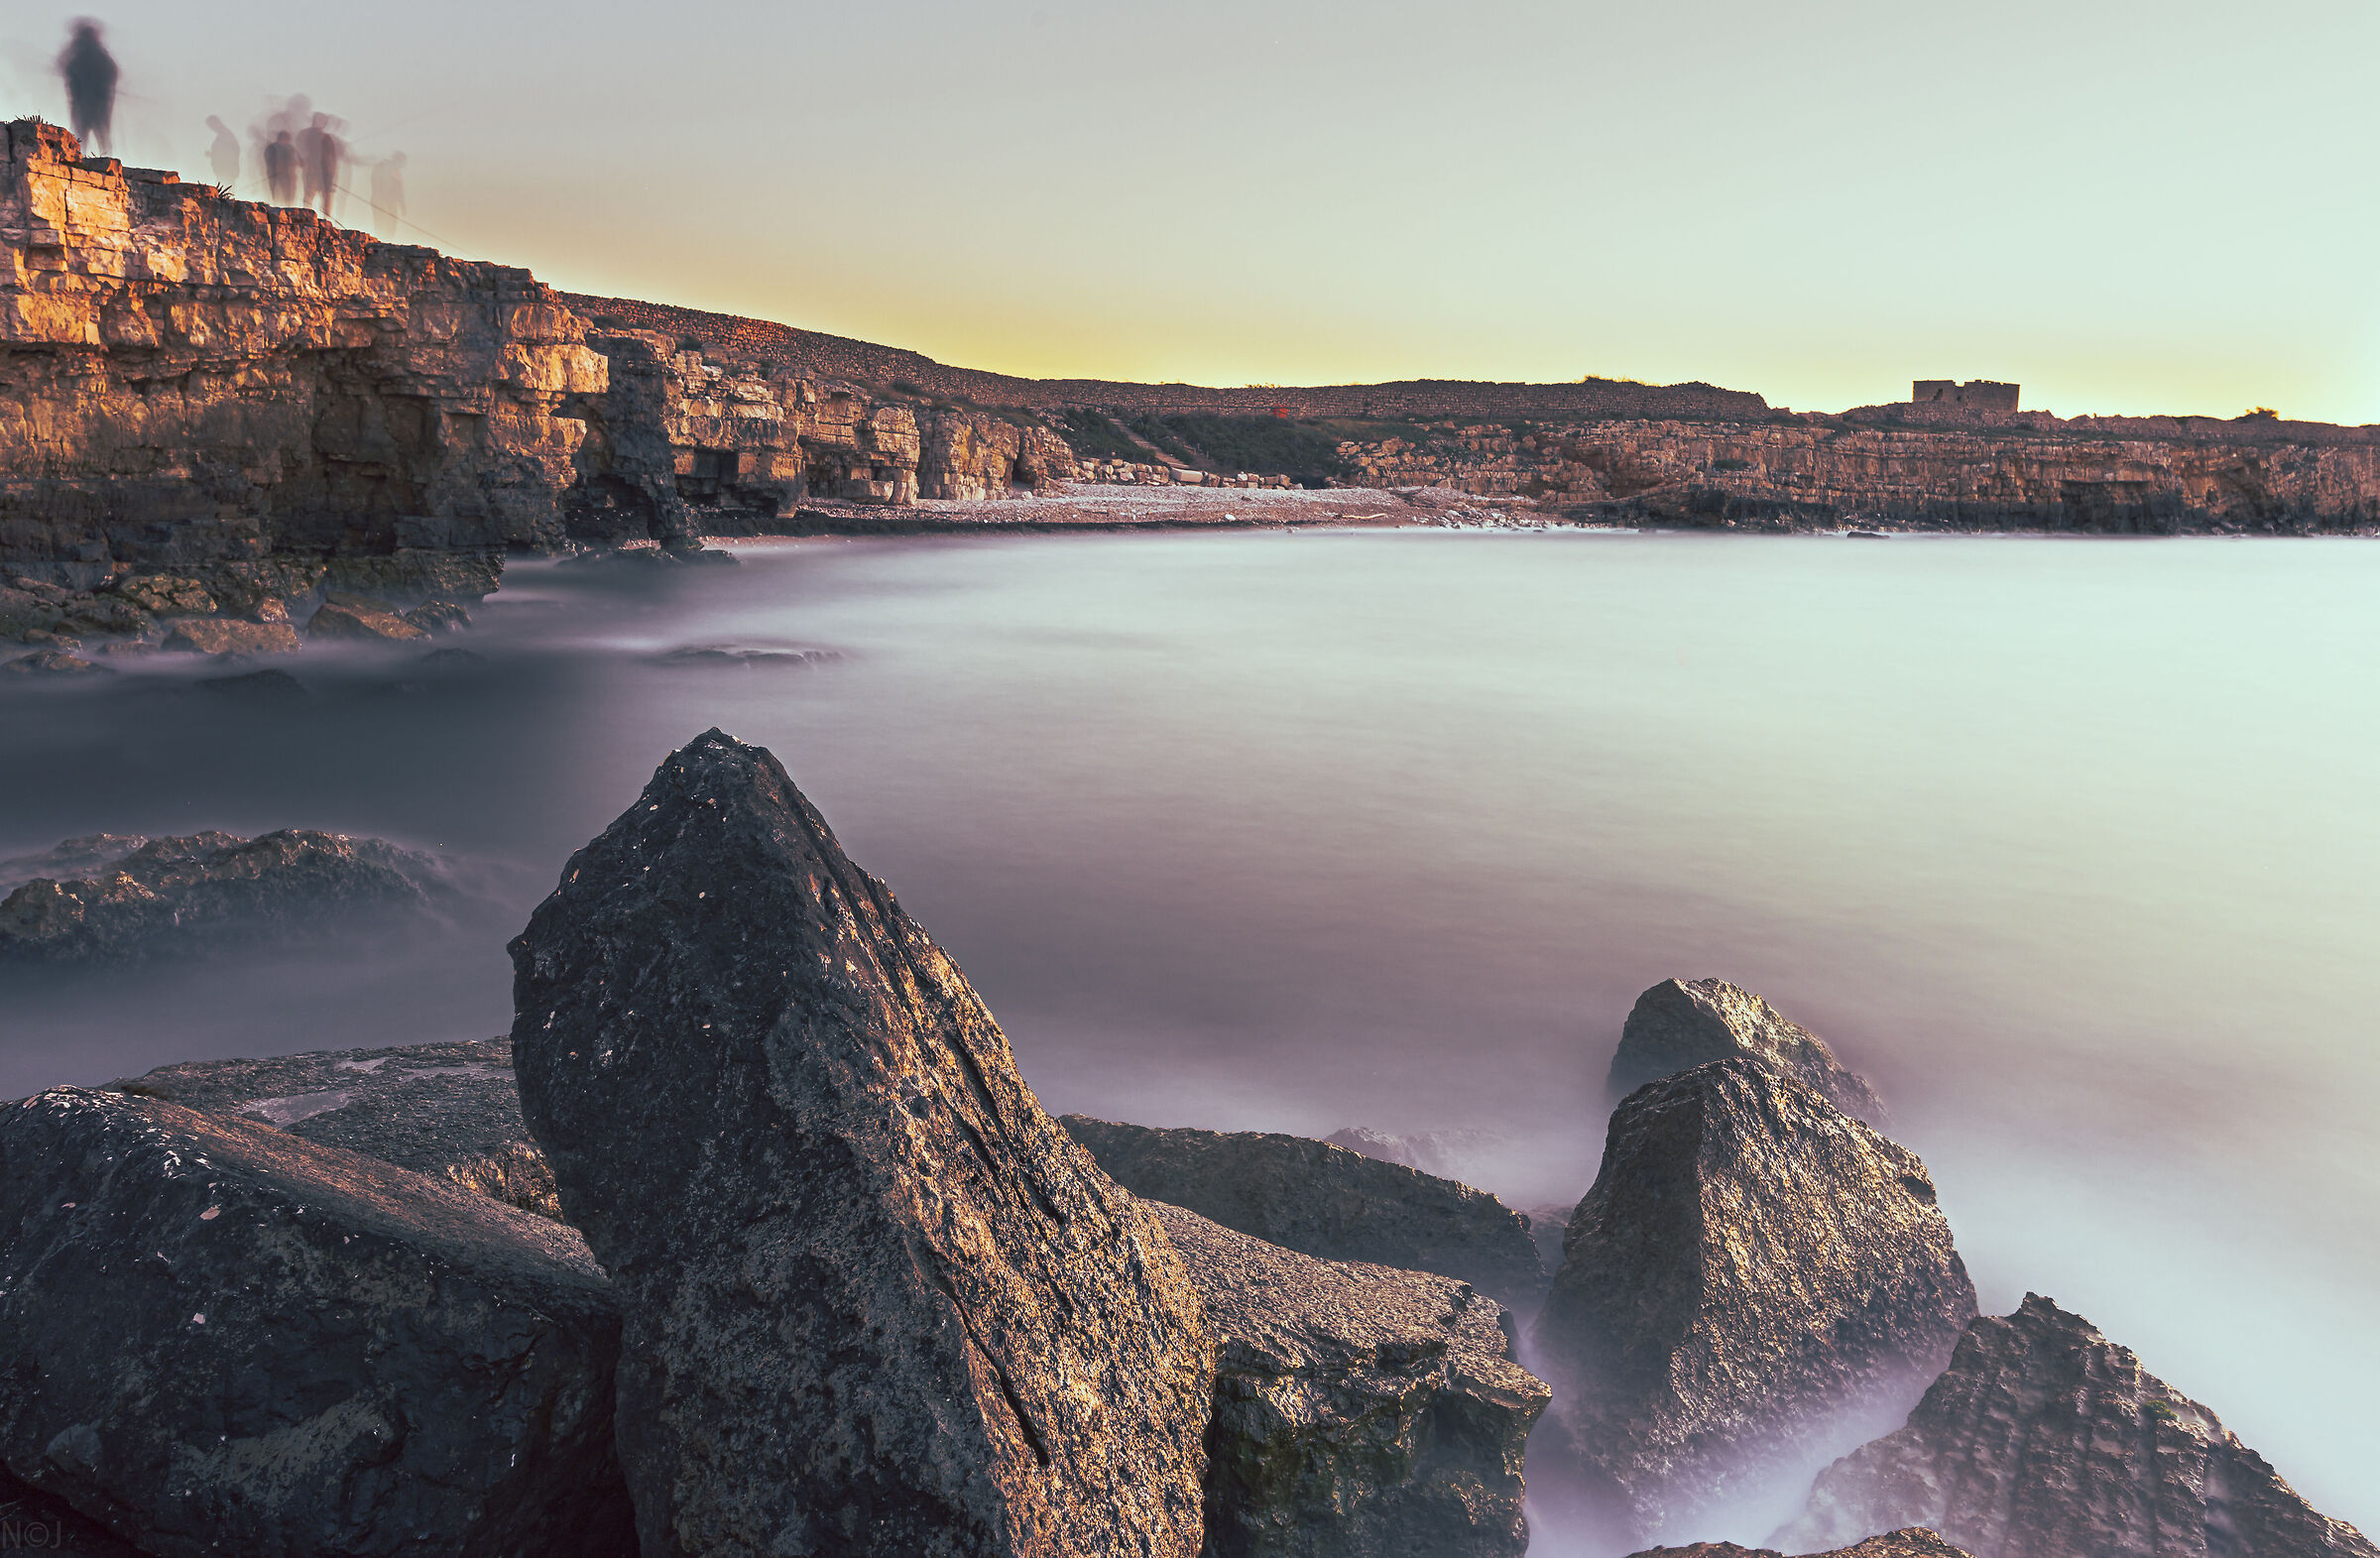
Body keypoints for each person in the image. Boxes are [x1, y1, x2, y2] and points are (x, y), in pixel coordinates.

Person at [57, 21, 118, 158]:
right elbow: (67, 69)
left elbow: (111, 73)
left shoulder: (95, 55)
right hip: (84, 103)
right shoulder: (82, 55)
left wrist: (103, 90)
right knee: (85, 134)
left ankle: (104, 159)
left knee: (98, 134)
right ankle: (83, 158)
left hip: (95, 105)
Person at [369, 153, 406, 239]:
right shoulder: (389, 169)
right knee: (384, 224)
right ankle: (383, 242)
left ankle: (384, 241)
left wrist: (402, 205)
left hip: (383, 201)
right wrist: (402, 205)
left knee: (385, 224)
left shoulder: (383, 167)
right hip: (383, 201)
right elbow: (398, 190)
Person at [204, 116, 239, 191]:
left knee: (227, 191)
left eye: (211, 126)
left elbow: (231, 151)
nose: (212, 128)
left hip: (227, 170)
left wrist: (215, 155)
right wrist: (212, 154)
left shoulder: (226, 135)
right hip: (223, 170)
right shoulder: (223, 135)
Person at [263, 130, 298, 205]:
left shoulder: (290, 148)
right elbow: (268, 160)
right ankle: (281, 208)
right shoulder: (272, 148)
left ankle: (286, 208)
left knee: (287, 194)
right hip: (278, 175)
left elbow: (296, 161)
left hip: (286, 176)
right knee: (280, 194)